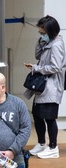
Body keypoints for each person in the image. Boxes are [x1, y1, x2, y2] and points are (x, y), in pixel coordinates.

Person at [24, 16, 66, 159]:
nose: (41, 34)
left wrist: (37, 68)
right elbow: (37, 55)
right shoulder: (48, 42)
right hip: (43, 86)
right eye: (40, 32)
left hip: (52, 86)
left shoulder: (56, 45)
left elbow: (55, 67)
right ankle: (41, 143)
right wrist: (41, 40)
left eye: (43, 33)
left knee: (49, 118)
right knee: (37, 115)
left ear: (51, 31)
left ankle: (53, 147)